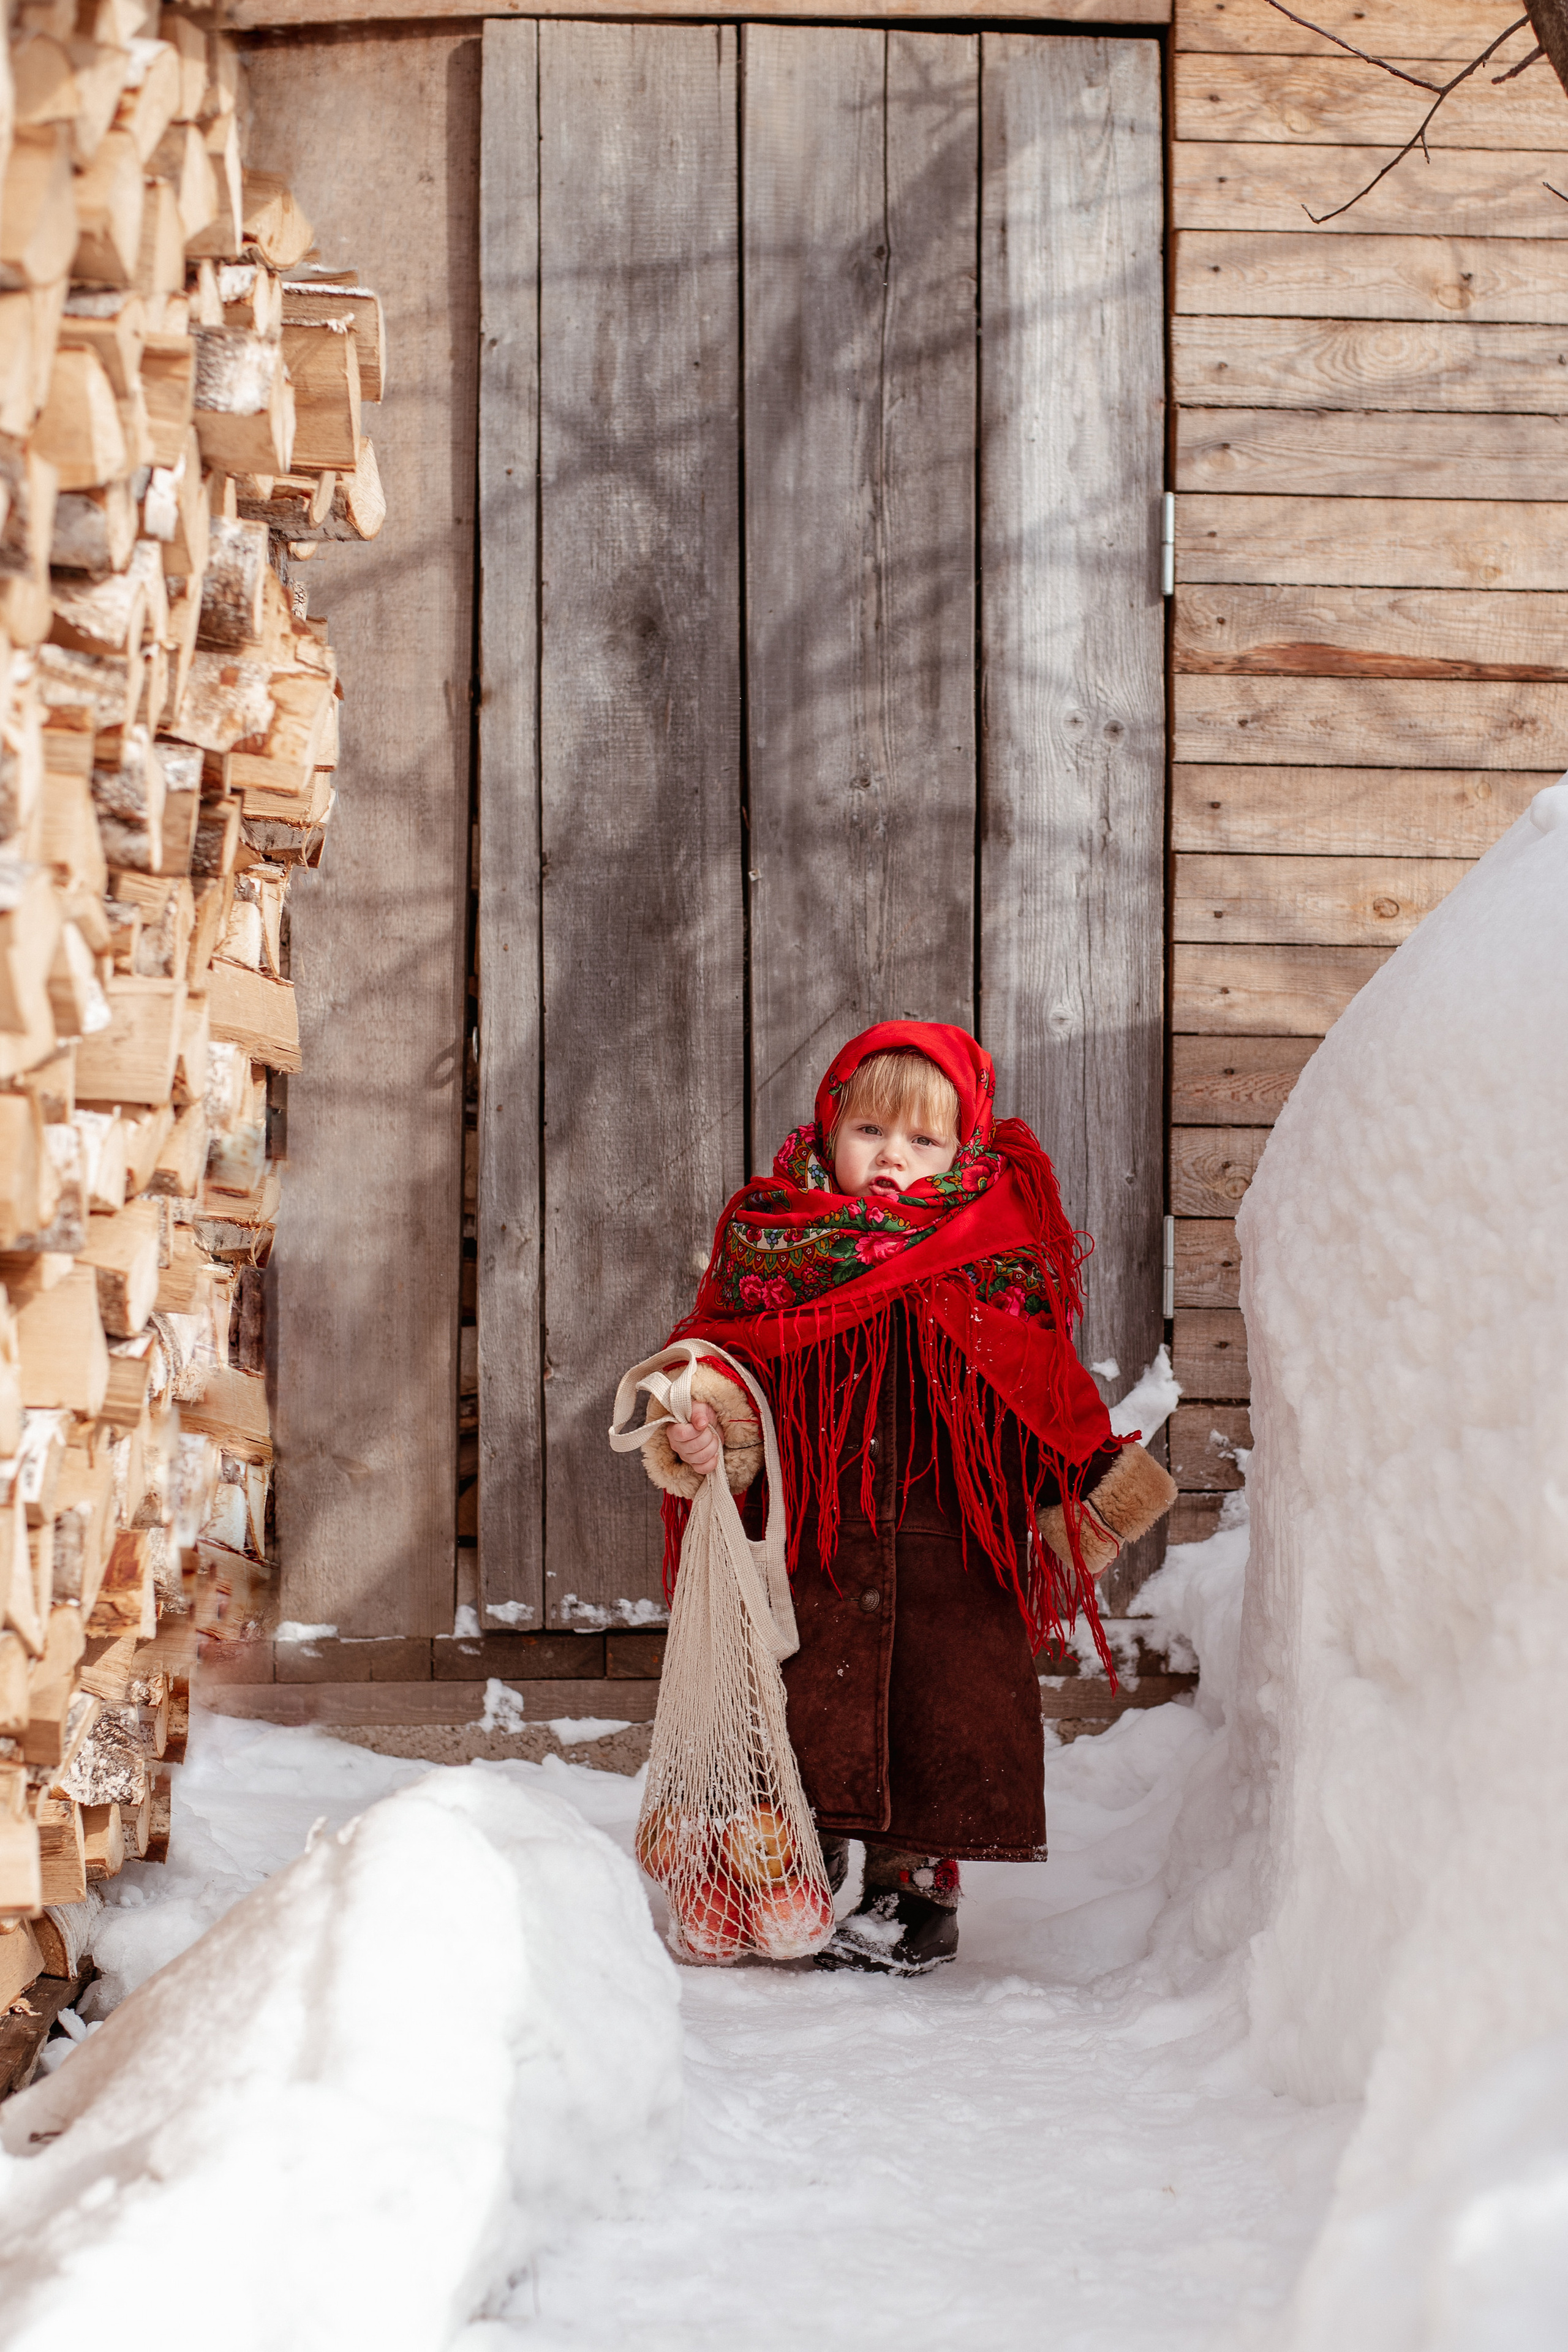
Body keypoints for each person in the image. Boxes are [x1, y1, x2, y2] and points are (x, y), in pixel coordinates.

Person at [633, 1022, 1175, 1976]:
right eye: (872, 1132)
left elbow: (1035, 1389)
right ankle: (793, 1862)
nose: (893, 1157)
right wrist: (711, 1427)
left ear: (965, 1151)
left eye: (925, 1141)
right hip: (819, 1537)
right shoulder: (778, 1250)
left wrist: (1076, 1489)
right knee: (804, 1703)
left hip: (946, 1542)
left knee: (936, 1713)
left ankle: (912, 1893)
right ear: (829, 1131)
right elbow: (735, 1367)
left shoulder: (990, 1257)